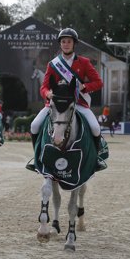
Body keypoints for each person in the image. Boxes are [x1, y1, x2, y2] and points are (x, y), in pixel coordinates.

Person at [29, 27, 106, 170]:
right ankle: (36, 158)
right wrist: (47, 94)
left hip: (78, 102)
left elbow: (98, 82)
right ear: (60, 44)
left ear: (74, 44)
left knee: (95, 128)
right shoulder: (53, 64)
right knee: (34, 125)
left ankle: (95, 160)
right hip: (56, 104)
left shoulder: (84, 62)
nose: (66, 44)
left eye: (69, 41)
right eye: (63, 41)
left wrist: (84, 86)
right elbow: (44, 87)